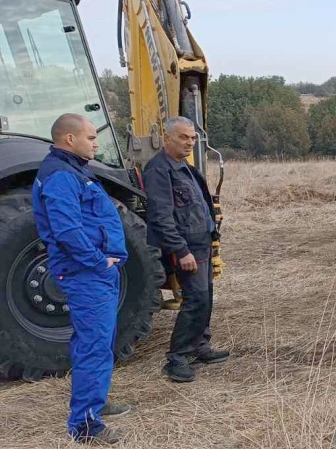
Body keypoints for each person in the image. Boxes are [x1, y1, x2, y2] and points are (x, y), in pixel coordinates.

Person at [31, 114, 130, 445]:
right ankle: (86, 424)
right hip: (87, 275)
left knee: (98, 342)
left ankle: (95, 402)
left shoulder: (74, 170)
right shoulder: (60, 176)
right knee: (93, 345)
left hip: (96, 274)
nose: (96, 143)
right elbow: (67, 230)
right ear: (69, 139)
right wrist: (99, 262)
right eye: (90, 137)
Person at [143, 116, 229, 382]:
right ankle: (177, 358)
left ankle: (201, 346)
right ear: (167, 138)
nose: (190, 142)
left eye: (193, 138)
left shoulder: (187, 169)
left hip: (202, 244)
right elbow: (161, 216)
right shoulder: (159, 170)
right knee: (196, 300)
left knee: (206, 298)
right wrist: (181, 250)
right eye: (183, 137)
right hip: (186, 249)